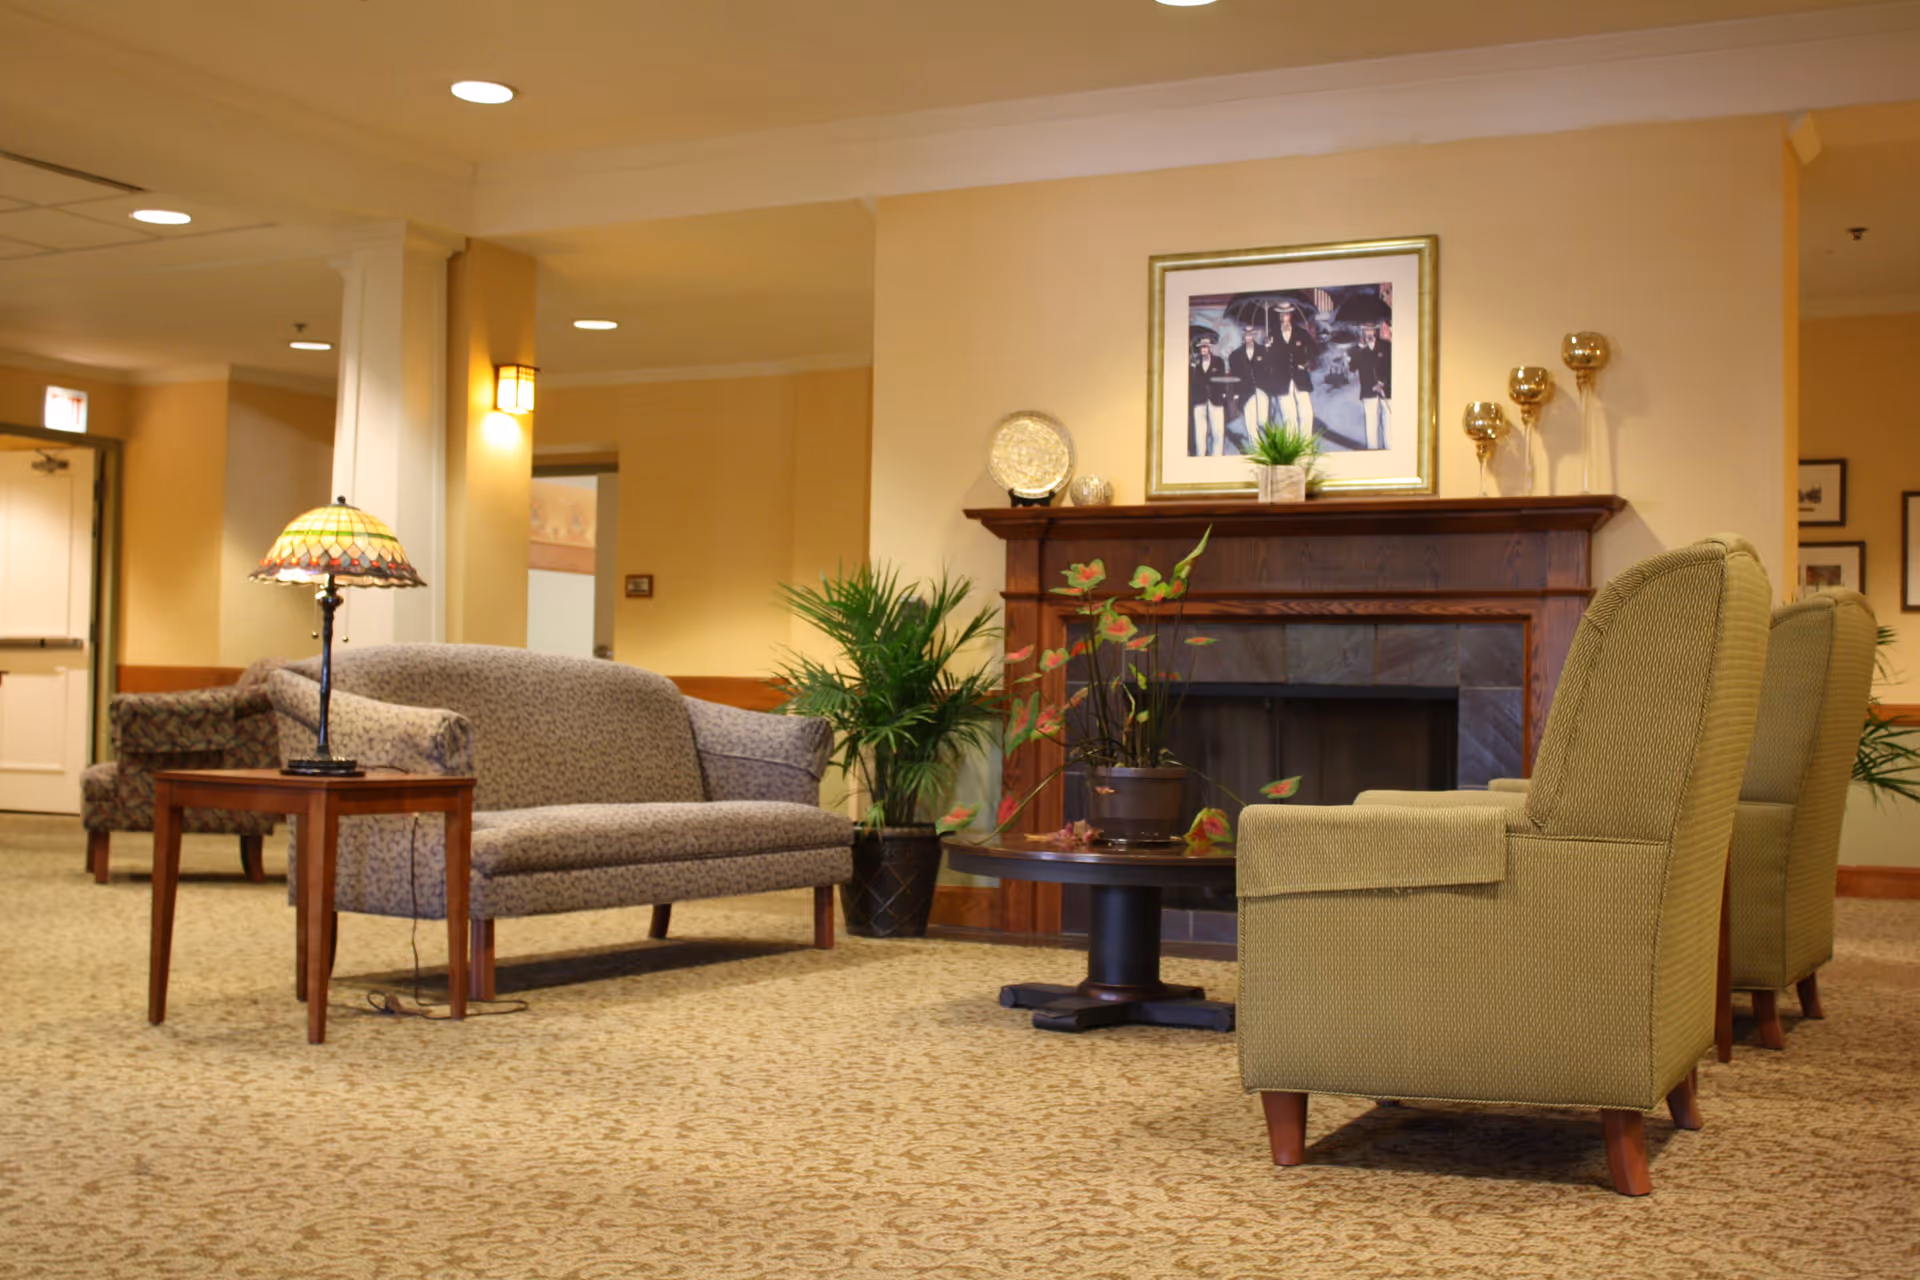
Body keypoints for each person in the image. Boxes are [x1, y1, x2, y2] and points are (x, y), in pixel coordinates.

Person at [1269, 302, 1315, 434]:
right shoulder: (1272, 335)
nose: (1284, 316)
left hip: (1300, 378)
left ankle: (1305, 447)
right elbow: (1268, 360)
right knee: (1288, 417)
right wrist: (1267, 347)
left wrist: (1306, 363)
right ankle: (1292, 447)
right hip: (1281, 380)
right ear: (1279, 315)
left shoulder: (1301, 333)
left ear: (1291, 315)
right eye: (1282, 313)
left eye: (1287, 313)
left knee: (1306, 413)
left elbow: (1314, 349)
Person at [1350, 321, 1391, 450]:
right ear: (1363, 332)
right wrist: (1358, 350)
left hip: (1386, 389)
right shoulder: (1358, 349)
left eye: (1371, 330)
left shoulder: (1385, 346)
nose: (1369, 333)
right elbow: (1352, 368)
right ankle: (1372, 450)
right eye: (1366, 330)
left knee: (1389, 421)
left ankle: (1390, 449)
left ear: (1375, 331)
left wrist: (1382, 382)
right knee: (1371, 422)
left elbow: (1390, 366)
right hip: (1368, 390)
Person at [1189, 336, 1230, 456]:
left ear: (1210, 348)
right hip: (1199, 400)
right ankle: (1200, 456)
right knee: (1200, 432)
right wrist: (1192, 368)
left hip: (1216, 399)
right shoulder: (1195, 363)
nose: (1204, 349)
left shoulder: (1218, 361)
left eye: (1206, 347)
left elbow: (1222, 380)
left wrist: (1222, 395)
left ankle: (1216, 457)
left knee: (1218, 431)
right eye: (1202, 347)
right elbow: (1192, 383)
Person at [1230, 327, 1271, 444]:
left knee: (1263, 421)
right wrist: (1236, 394)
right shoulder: (1235, 355)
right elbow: (1235, 377)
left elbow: (1270, 369)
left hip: (1262, 390)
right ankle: (1256, 449)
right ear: (1243, 336)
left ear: (1253, 335)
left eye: (1250, 334)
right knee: (1250, 422)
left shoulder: (1263, 350)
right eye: (1246, 334)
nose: (1248, 337)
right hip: (1246, 392)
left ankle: (1270, 445)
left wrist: (1269, 350)